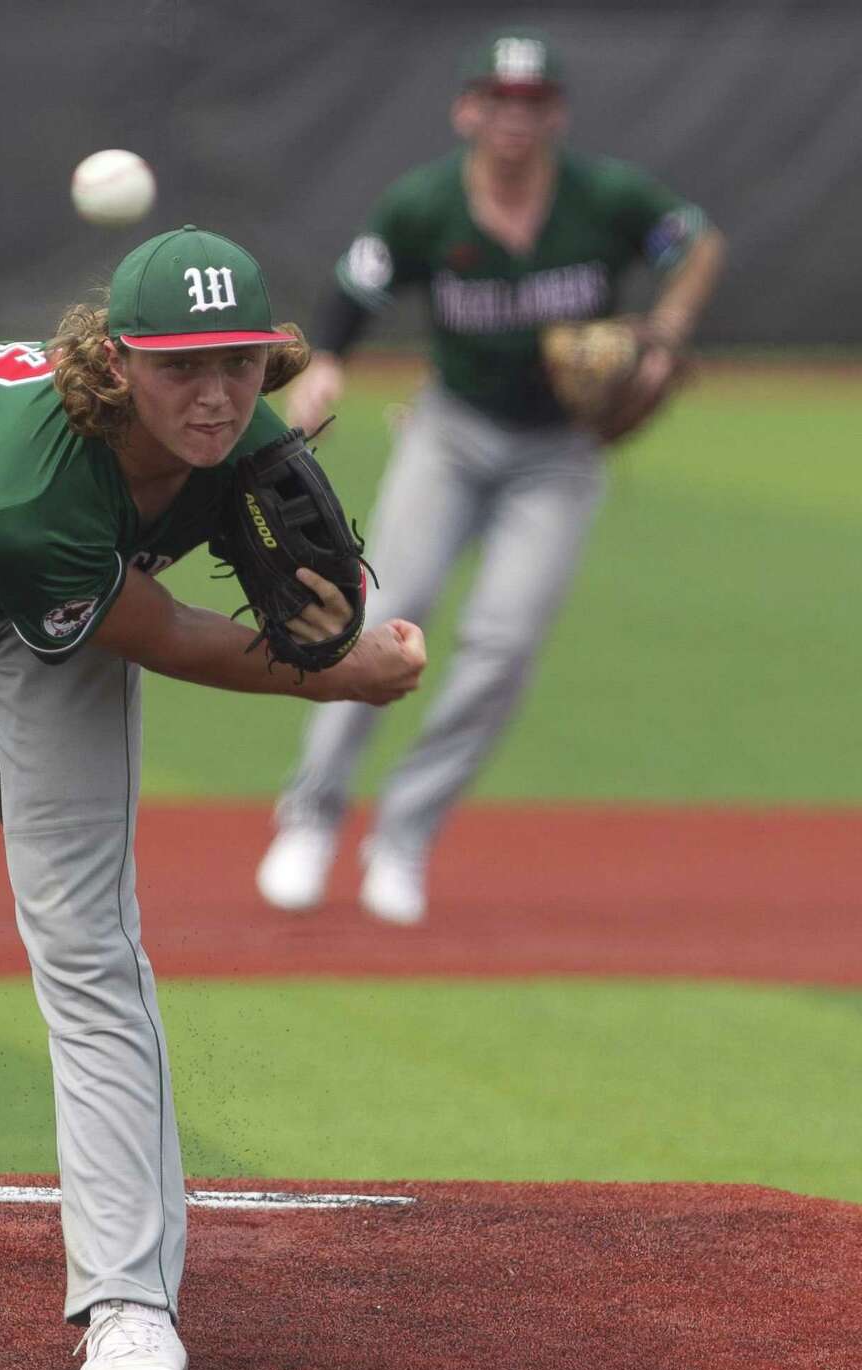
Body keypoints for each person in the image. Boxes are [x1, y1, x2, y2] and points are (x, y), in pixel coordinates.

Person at [0, 224, 426, 1370]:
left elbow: (318, 577)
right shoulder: (25, 483)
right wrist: (333, 678)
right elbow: (159, 631)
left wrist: (350, 617)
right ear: (118, 362)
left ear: (268, 359)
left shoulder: (249, 435)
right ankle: (59, 813)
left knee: (87, 943)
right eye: (180, 367)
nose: (215, 397)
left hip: (56, 642)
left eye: (238, 364)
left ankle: (129, 1303)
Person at [256, 28, 726, 926]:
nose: (514, 117)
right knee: (382, 615)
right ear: (466, 110)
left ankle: (404, 833)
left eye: (532, 102)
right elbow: (357, 287)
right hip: (451, 436)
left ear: (557, 115)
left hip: (559, 457)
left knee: (502, 651)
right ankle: (311, 815)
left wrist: (667, 332)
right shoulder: (426, 205)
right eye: (498, 100)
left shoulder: (605, 198)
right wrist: (329, 365)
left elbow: (698, 243)